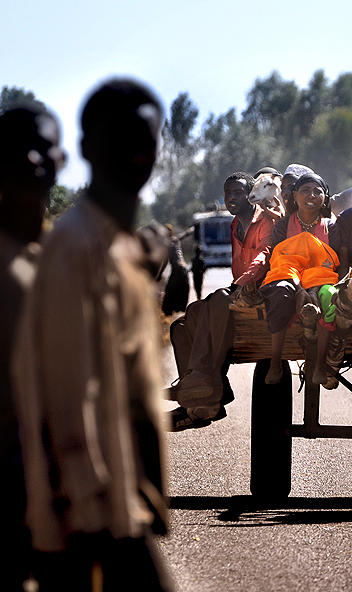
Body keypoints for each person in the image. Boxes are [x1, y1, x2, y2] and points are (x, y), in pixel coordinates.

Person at [13, 77, 174, 590]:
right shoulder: (74, 249)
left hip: (123, 505)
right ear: (85, 149)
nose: (135, 153)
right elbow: (65, 397)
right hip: (92, 519)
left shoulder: (119, 251)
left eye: (145, 141)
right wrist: (89, 519)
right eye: (118, 139)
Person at [0, 101, 66, 592]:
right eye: (18, 149)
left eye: (44, 148)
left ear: (62, 161)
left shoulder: (70, 262)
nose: (33, 160)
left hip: (62, 482)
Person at [168, 171, 274, 430]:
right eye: (228, 193)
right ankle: (195, 398)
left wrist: (242, 283)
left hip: (265, 289)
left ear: (251, 196)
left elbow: (264, 255)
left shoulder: (266, 221)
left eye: (238, 192)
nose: (231, 198)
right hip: (242, 288)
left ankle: (208, 390)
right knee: (182, 324)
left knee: (219, 299)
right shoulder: (235, 224)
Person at [260, 173, 338, 386]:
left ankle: (321, 363)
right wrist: (300, 290)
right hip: (287, 277)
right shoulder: (282, 227)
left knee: (330, 296)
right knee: (279, 291)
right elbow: (279, 262)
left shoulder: (332, 226)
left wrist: (313, 289)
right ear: (294, 196)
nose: (311, 195)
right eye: (305, 190)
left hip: (322, 279)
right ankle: (275, 361)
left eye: (317, 191)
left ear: (324, 197)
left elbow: (333, 263)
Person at [161, 224, 190, 315]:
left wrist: (159, 274)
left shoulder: (166, 243)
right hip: (184, 269)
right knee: (180, 293)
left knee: (169, 293)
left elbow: (165, 261)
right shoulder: (176, 240)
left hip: (177, 269)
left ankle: (168, 315)